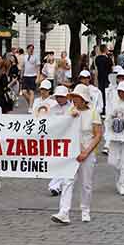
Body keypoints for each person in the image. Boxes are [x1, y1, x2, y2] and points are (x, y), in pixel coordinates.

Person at [51, 84, 102, 224]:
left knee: (86, 183)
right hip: (71, 152)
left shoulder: (93, 113)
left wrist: (86, 152)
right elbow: (62, 129)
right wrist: (70, 117)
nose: (74, 100)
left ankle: (85, 209)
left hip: (87, 152)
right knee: (67, 180)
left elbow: (98, 135)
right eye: (73, 97)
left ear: (83, 99)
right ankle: (63, 212)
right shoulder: (70, 111)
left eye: (77, 97)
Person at [47, 86, 73, 197]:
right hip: (56, 139)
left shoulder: (73, 108)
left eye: (61, 97)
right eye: (57, 97)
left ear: (67, 97)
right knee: (57, 162)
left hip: (70, 140)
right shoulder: (52, 109)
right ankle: (57, 185)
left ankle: (55, 185)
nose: (59, 99)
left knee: (65, 162)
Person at [94, 45, 112, 115]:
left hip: (100, 78)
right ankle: (106, 108)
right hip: (107, 78)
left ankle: (102, 108)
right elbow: (111, 67)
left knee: (101, 93)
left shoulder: (97, 58)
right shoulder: (108, 59)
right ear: (105, 50)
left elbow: (96, 69)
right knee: (107, 94)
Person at [22, 44, 40, 109]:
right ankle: (31, 103)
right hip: (25, 76)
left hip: (33, 76)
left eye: (32, 48)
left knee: (31, 92)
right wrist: (21, 76)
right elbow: (23, 67)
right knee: (24, 92)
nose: (31, 50)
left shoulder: (36, 57)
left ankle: (30, 107)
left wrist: (38, 77)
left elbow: (38, 68)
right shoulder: (24, 57)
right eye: (30, 48)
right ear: (27, 50)